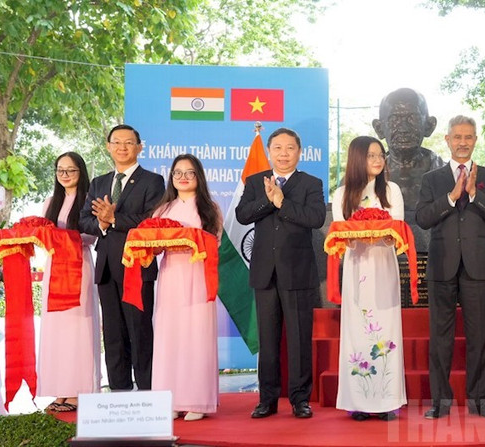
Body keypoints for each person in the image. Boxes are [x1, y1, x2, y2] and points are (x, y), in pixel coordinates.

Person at [416, 115, 485, 419]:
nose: (463, 142)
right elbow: (423, 218)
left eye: (469, 137)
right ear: (447, 140)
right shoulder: (432, 179)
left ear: (476, 140)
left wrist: (473, 194)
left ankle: (480, 400)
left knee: (479, 337)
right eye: (457, 137)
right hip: (442, 266)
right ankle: (439, 402)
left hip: (478, 268)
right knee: (440, 338)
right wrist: (452, 197)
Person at [236, 128, 326, 419]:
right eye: (278, 148)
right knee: (268, 339)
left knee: (299, 339)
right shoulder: (254, 181)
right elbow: (242, 214)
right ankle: (267, 400)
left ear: (300, 152)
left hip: (297, 271)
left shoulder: (311, 183)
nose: (284, 153)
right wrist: (268, 198)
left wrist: (282, 203)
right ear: (270, 151)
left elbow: (315, 218)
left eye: (290, 148)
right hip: (264, 272)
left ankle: (301, 400)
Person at [80, 124, 165, 391]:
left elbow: (150, 221)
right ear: (108, 147)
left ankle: (147, 394)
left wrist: (114, 218)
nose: (122, 147)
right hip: (105, 268)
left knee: (139, 332)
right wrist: (102, 225)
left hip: (136, 268)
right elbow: (84, 221)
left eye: (129, 143)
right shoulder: (99, 183)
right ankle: (119, 394)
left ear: (139, 147)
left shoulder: (153, 181)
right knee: (114, 336)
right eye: (117, 142)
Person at [332, 136, 407, 421]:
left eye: (380, 154)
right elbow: (340, 234)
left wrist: (377, 231)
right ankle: (359, 400)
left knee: (386, 329)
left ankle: (388, 400)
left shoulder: (392, 190)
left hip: (383, 266)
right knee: (357, 327)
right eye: (371, 155)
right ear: (357, 159)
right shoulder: (342, 194)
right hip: (356, 266)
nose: (378, 160)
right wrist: (360, 233)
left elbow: (397, 229)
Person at [150, 154, 222, 421]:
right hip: (170, 277)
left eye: (189, 173)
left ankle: (197, 401)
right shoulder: (162, 210)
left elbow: (214, 242)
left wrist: (188, 239)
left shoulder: (209, 208)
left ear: (199, 177)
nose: (183, 177)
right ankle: (171, 400)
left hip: (198, 277)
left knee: (196, 336)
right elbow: (154, 245)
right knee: (170, 337)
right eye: (177, 172)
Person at [39, 152, 100, 412]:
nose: (65, 175)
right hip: (54, 270)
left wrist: (61, 238)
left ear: (81, 172)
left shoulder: (89, 201)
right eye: (60, 170)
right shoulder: (51, 202)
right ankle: (61, 390)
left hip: (79, 267)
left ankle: (79, 390)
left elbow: (91, 236)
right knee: (57, 330)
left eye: (71, 170)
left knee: (79, 329)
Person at [372, 88, 445, 211]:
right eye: (394, 119)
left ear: (429, 125)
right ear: (379, 128)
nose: (404, 128)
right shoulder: (360, 179)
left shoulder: (451, 175)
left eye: (413, 118)